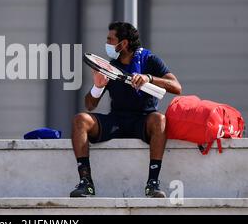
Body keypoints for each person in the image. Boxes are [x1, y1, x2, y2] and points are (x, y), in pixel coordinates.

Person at [70, 21, 182, 198]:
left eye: (110, 39)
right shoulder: (110, 66)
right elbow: (90, 105)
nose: (107, 43)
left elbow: (176, 87)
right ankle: (86, 183)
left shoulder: (149, 59)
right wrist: (97, 87)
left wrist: (149, 78)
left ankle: (152, 184)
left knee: (159, 120)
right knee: (80, 120)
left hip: (143, 121)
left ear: (124, 43)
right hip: (116, 121)